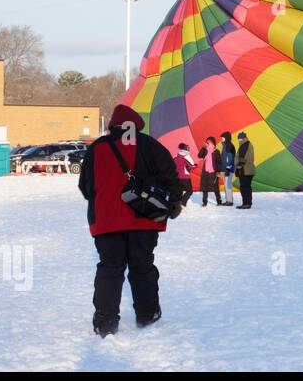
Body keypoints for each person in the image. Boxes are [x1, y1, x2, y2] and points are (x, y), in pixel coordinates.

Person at [79, 104, 186, 337]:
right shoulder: (150, 145)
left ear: (112, 125)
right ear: (135, 125)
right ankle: (147, 313)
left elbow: (85, 187)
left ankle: (105, 322)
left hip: (106, 222)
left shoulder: (96, 148)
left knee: (110, 268)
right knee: (142, 266)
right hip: (143, 220)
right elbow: (171, 178)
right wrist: (173, 204)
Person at [198, 137, 222, 206]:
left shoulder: (216, 151)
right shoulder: (205, 150)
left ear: (212, 143)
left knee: (215, 187)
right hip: (205, 171)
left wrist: (218, 171)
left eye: (209, 142)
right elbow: (200, 156)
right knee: (204, 187)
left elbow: (219, 162)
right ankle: (204, 202)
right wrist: (203, 148)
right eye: (207, 142)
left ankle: (219, 201)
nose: (208, 143)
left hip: (213, 171)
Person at [235, 131, 256, 208]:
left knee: (244, 187)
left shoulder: (244, 145)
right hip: (249, 170)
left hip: (245, 170)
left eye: (240, 138)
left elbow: (243, 158)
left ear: (244, 138)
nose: (239, 140)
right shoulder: (248, 144)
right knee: (247, 187)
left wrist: (239, 166)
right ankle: (248, 203)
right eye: (239, 138)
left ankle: (246, 204)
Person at [220, 131, 237, 206]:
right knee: (226, 185)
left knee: (228, 185)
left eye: (222, 137)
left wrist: (228, 167)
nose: (221, 139)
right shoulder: (225, 146)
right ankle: (228, 200)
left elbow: (230, 158)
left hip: (228, 169)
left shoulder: (229, 146)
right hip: (224, 169)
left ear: (226, 138)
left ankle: (230, 201)